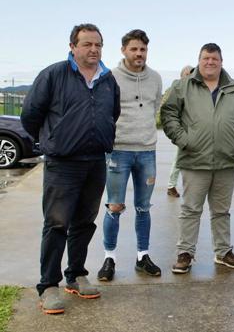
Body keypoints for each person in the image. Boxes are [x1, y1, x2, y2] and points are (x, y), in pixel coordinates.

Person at [21, 23, 120, 314]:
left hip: (95, 161)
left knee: (85, 223)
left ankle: (76, 275)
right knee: (56, 225)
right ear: (72, 47)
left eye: (98, 45)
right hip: (62, 164)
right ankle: (48, 286)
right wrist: (52, 140)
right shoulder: (53, 74)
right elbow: (31, 115)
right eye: (87, 44)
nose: (93, 49)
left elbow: (112, 112)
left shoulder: (107, 79)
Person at [161, 43, 234, 274]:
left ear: (221, 62)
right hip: (194, 159)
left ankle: (223, 252)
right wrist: (184, 140)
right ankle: (185, 253)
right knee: (191, 209)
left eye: (214, 58)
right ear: (199, 60)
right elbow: (169, 113)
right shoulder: (182, 86)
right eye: (206, 58)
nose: (210, 62)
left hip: (227, 160)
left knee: (221, 211)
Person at [97, 29, 163, 282]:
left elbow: (154, 106)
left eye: (143, 49)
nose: (139, 53)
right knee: (114, 206)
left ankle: (142, 256)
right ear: (123, 50)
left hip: (146, 151)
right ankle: (109, 258)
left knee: (143, 208)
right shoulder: (110, 76)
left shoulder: (155, 78)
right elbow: (104, 110)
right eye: (134, 49)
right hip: (118, 151)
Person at [166, 65, 194, 198]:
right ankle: (171, 186)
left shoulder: (194, 89)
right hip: (183, 132)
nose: (190, 76)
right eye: (187, 74)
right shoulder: (178, 88)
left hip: (195, 131)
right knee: (179, 159)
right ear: (182, 76)